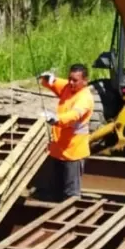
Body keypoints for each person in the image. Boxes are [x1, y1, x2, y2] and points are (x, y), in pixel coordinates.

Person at [38, 64, 94, 201]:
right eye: (70, 79)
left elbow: (74, 115)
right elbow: (53, 83)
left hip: (74, 152)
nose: (71, 82)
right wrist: (47, 79)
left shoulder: (84, 98)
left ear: (85, 81)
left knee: (71, 194)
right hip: (59, 150)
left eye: (75, 80)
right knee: (56, 191)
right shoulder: (69, 88)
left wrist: (57, 119)